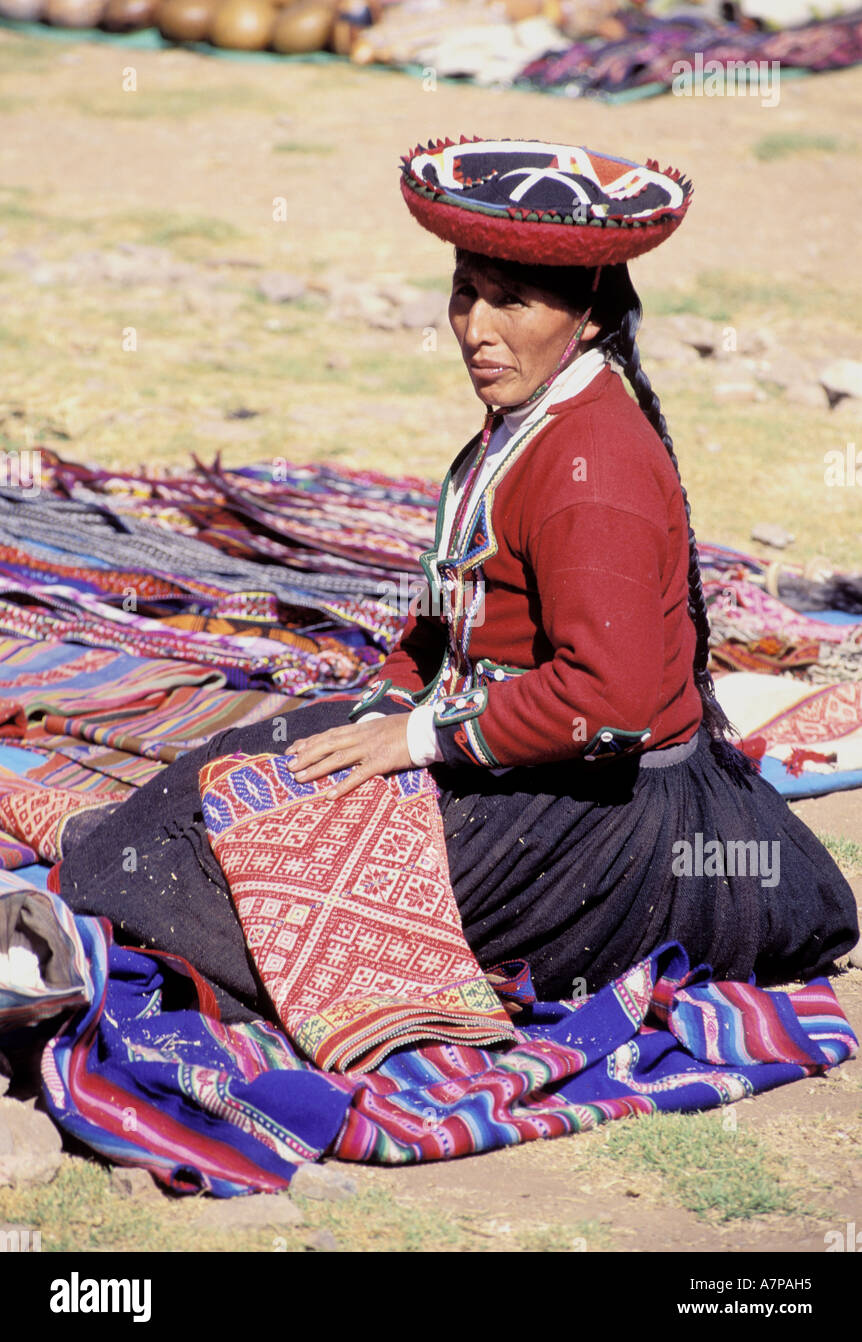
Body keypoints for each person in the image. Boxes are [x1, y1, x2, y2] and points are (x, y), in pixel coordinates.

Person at [58, 137, 859, 1018]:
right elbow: (443, 631)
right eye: (465, 294)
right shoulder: (517, 428)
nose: (478, 328)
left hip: (603, 821)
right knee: (226, 780)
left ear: (587, 315)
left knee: (257, 884)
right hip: (508, 753)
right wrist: (383, 710)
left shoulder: (596, 469)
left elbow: (613, 697)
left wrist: (417, 743)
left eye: (511, 302)